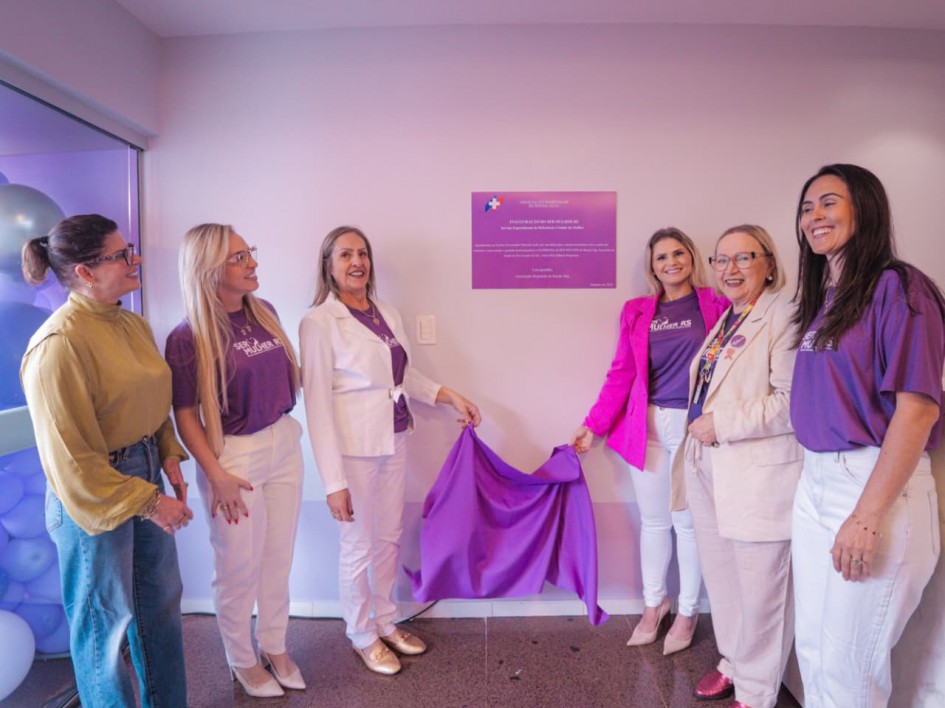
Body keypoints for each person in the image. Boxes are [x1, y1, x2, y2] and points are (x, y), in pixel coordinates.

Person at [19, 214, 192, 707]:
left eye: (129, 248)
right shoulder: (58, 346)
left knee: (159, 610)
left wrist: (168, 452)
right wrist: (149, 501)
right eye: (121, 254)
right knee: (105, 629)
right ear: (86, 272)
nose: (134, 259)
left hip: (143, 471)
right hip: (93, 493)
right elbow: (73, 462)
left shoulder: (131, 323)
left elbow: (152, 400)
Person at [790, 164, 944, 707]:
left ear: (866, 209)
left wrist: (866, 515)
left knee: (849, 672)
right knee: (813, 654)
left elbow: (918, 410)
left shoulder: (901, 288)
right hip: (815, 483)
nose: (814, 217)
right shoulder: (829, 299)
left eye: (829, 203)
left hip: (874, 486)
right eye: (807, 208)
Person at [299, 225, 481, 676]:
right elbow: (317, 406)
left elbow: (405, 377)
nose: (356, 262)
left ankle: (386, 619)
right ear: (329, 264)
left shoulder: (387, 312)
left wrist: (449, 395)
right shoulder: (318, 322)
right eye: (345, 255)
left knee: (388, 538)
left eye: (362, 254)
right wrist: (333, 482)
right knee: (357, 545)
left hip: (394, 438)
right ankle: (362, 634)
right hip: (353, 451)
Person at [571, 227, 727, 654]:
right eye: (662, 257)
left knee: (689, 524)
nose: (671, 262)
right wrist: (594, 424)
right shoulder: (638, 311)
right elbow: (622, 371)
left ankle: (689, 611)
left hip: (697, 428)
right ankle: (654, 606)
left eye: (679, 253)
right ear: (652, 266)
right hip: (649, 426)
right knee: (654, 521)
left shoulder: (717, 304)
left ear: (692, 258)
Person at [165, 224, 305, 698]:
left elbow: (287, 377)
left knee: (277, 557)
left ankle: (275, 645)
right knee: (238, 566)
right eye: (240, 258)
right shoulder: (186, 337)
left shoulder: (263, 311)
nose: (253, 264)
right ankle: (242, 659)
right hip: (234, 455)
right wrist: (215, 475)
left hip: (284, 442)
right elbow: (184, 413)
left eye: (251, 253)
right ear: (209, 270)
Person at [672, 225, 801, 708]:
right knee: (723, 577)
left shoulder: (784, 315)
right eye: (721, 260)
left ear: (768, 263)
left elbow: (791, 403)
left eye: (743, 258)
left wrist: (720, 423)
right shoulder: (728, 318)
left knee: (762, 588)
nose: (730, 269)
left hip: (757, 472)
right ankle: (734, 660)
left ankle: (757, 689)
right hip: (710, 465)